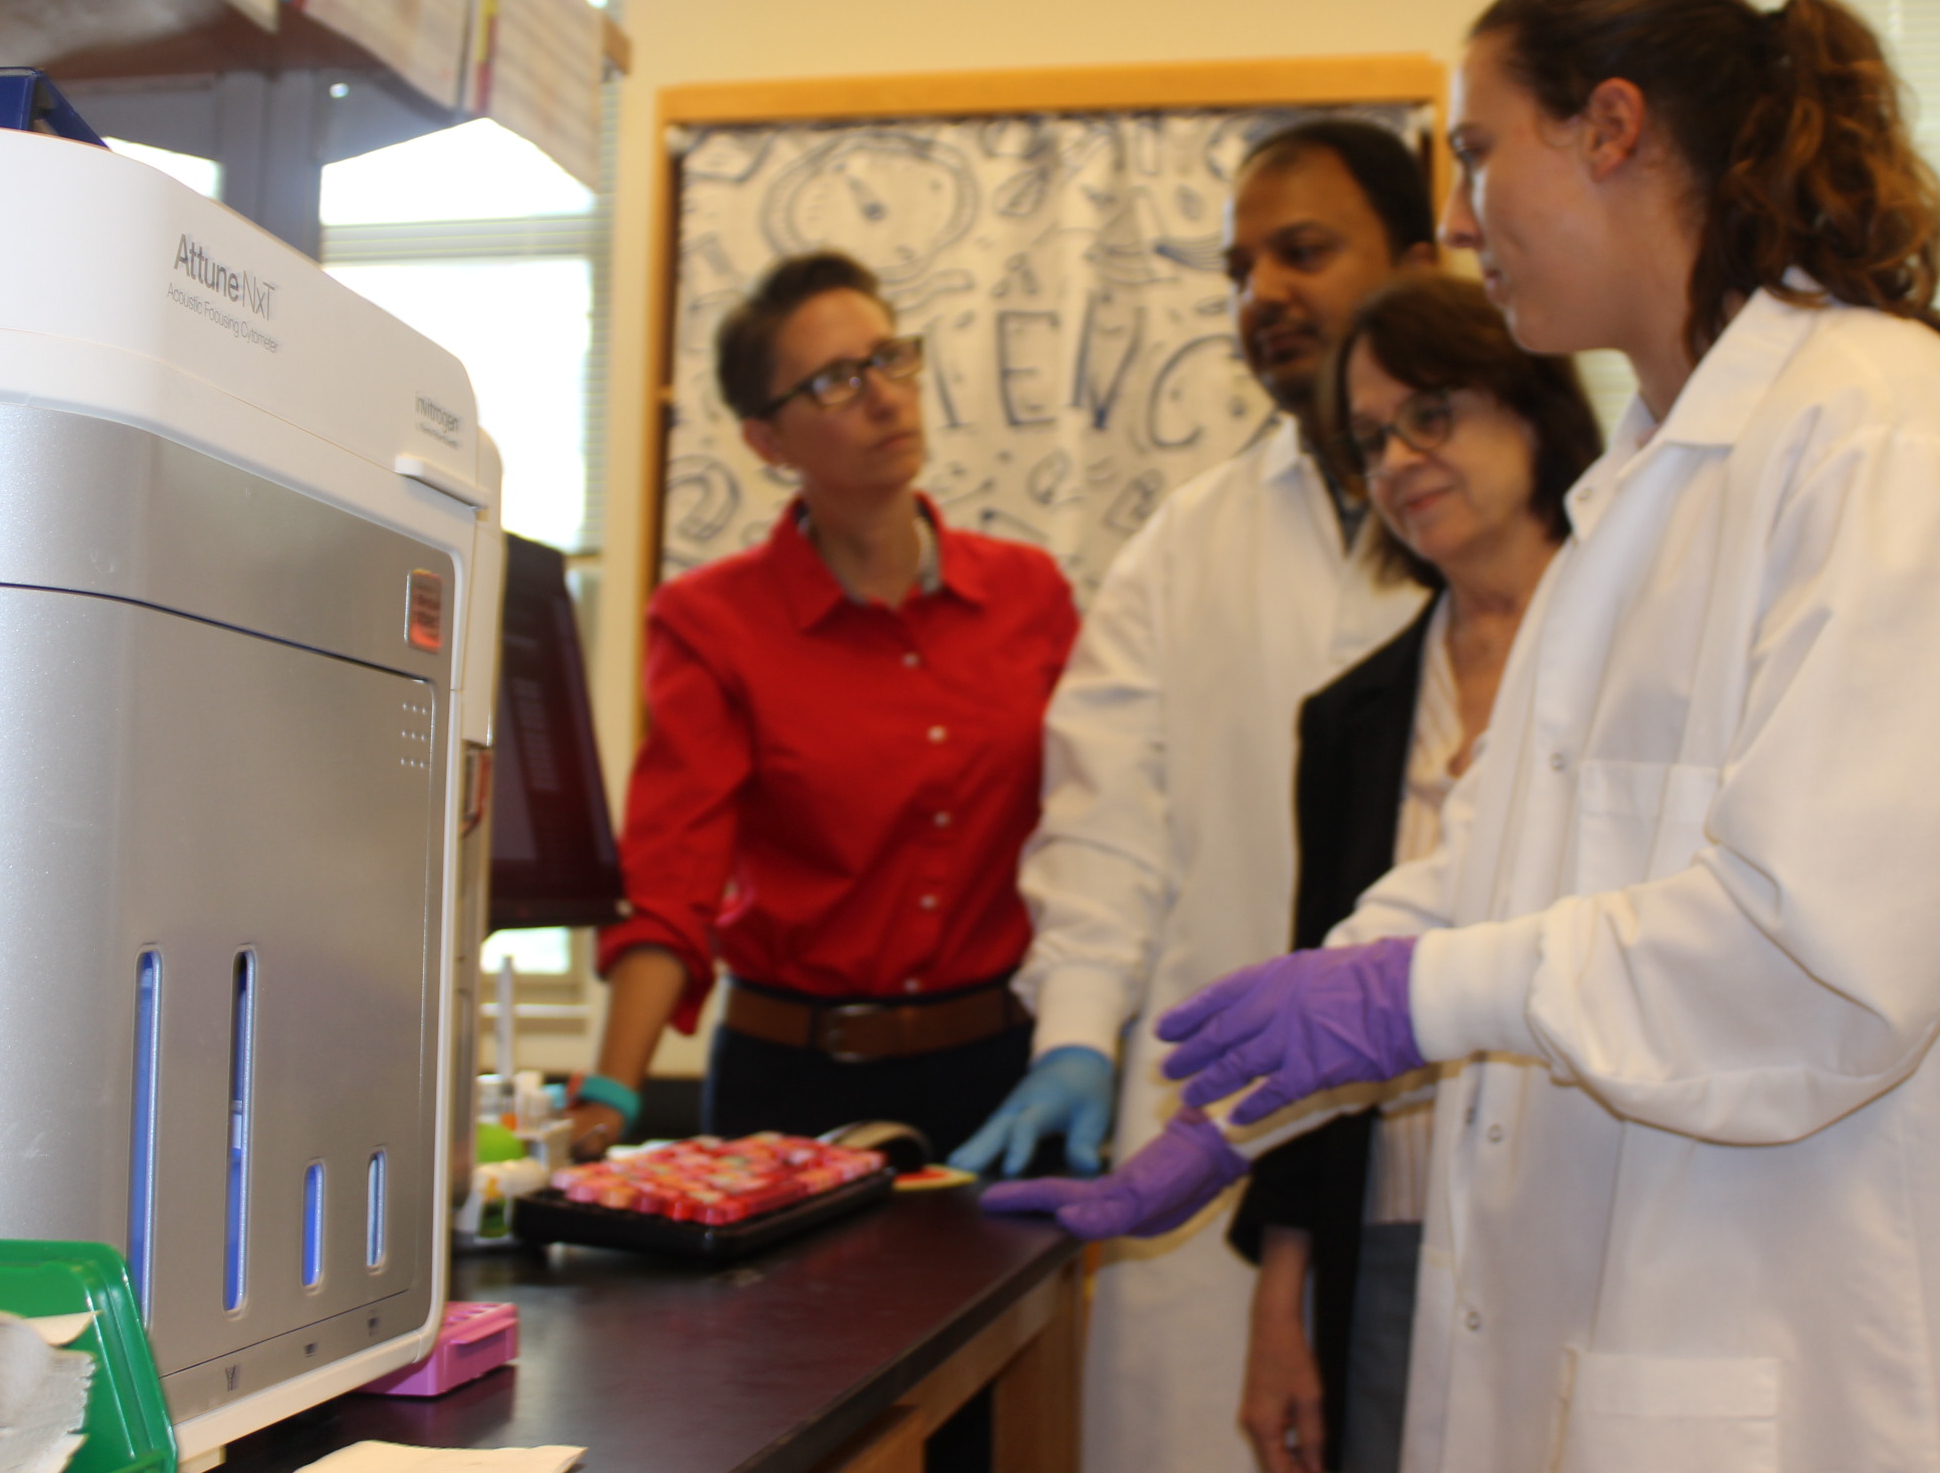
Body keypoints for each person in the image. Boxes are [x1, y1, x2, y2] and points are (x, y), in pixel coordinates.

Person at [992, 0, 1940, 1473]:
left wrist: (1403, 1005)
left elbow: (1821, 956)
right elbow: (1494, 872)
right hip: (1673, 1339)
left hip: (1880, 1370)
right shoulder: (1637, 499)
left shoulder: (1891, 443)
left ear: (1612, 127)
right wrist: (1236, 1105)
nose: (1451, 221)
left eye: (1482, 153)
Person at [952, 119, 1439, 1473]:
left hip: (1447, 1136)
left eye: (1304, 251)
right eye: (1239, 267)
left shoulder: (1521, 518)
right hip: (1212, 1134)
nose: (1262, 294)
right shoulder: (1188, 540)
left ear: (1419, 260)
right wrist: (1078, 1033)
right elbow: (1108, 825)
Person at [565, 250, 1079, 1166]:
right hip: (792, 1084)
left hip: (1002, 1070)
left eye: (891, 359)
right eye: (838, 382)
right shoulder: (711, 623)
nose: (886, 397)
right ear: (769, 442)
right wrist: (609, 1096)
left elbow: (1094, 832)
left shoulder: (1029, 596)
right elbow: (670, 880)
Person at [1229, 274, 1602, 1473]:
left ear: (1533, 405)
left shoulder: (1650, 647)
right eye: (1369, 438)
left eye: (1429, 414)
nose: (1395, 460)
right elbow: (1324, 997)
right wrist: (1283, 1297)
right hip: (1391, 1229)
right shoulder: (1350, 719)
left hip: (1612, 1218)